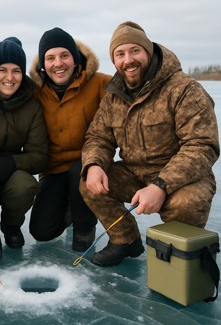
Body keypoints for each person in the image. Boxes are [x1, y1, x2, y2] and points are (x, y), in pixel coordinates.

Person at [79, 21, 220, 267]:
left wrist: (161, 186)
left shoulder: (184, 88)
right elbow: (98, 137)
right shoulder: (114, 96)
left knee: (186, 204)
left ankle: (176, 259)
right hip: (135, 172)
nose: (128, 59)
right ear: (114, 60)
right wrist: (94, 165)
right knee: (88, 182)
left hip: (183, 178)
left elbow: (202, 145)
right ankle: (125, 240)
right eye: (120, 54)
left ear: (148, 51)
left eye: (135, 51)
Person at [29, 27, 112, 251]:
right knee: (41, 232)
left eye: (65, 55)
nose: (58, 63)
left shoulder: (101, 83)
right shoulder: (34, 91)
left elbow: (134, 99)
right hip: (53, 169)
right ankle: (68, 209)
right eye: (50, 57)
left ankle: (85, 226)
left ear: (75, 60)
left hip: (89, 165)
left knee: (79, 171)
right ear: (43, 65)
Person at [0, 37, 48, 248]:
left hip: (11, 172)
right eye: (2, 69)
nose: (10, 77)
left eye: (16, 70)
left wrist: (11, 162)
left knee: (25, 185)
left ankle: (11, 225)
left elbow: (39, 156)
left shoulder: (32, 104)